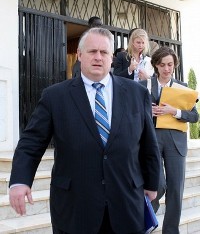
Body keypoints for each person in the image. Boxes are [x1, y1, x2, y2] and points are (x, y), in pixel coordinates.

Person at [9, 27, 161, 234]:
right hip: (75, 207)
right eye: (92, 51)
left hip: (126, 203)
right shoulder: (55, 97)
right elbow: (31, 143)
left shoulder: (137, 94)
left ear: (112, 58)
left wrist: (153, 184)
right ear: (79, 55)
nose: (98, 57)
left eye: (104, 52)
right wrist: (19, 180)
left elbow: (148, 144)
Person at [139, 46, 199, 234]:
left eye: (170, 65)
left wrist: (174, 111)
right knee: (157, 185)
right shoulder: (144, 85)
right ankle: (145, 221)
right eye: (163, 65)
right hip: (152, 139)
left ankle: (171, 231)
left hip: (176, 141)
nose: (167, 69)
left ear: (175, 65)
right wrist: (148, 111)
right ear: (156, 65)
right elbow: (133, 112)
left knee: (175, 189)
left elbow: (194, 116)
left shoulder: (183, 88)